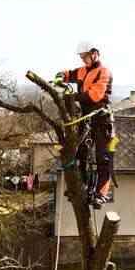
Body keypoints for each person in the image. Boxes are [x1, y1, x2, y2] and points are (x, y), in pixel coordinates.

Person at [55, 41, 114, 207]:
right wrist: (60, 77)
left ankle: (101, 193)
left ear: (94, 54)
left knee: (102, 156)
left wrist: (72, 97)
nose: (83, 60)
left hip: (101, 117)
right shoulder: (81, 71)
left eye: (85, 57)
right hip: (86, 117)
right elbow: (68, 74)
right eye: (81, 57)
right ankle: (82, 186)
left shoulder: (104, 72)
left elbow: (95, 95)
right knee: (80, 152)